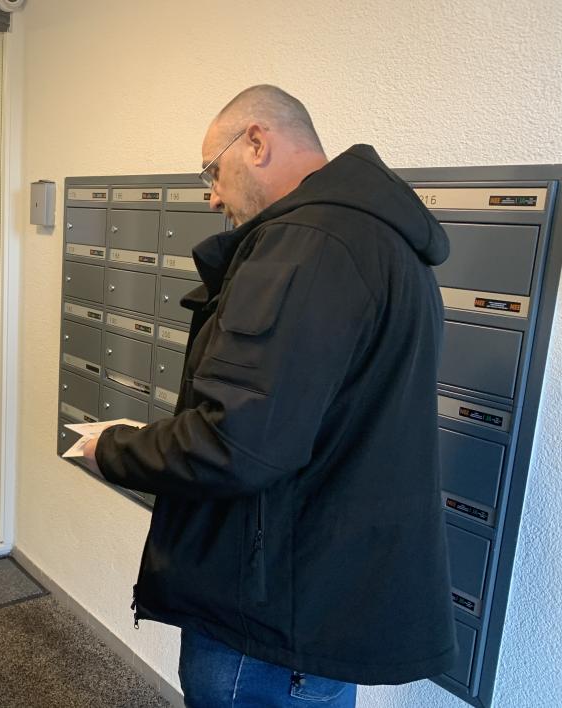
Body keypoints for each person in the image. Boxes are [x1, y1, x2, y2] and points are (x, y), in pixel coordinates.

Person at [83, 85, 456, 707]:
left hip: (268, 618)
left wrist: (112, 449)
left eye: (213, 171)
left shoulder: (304, 246)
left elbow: (237, 442)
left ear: (255, 142)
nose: (212, 195)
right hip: (318, 603)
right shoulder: (382, 240)